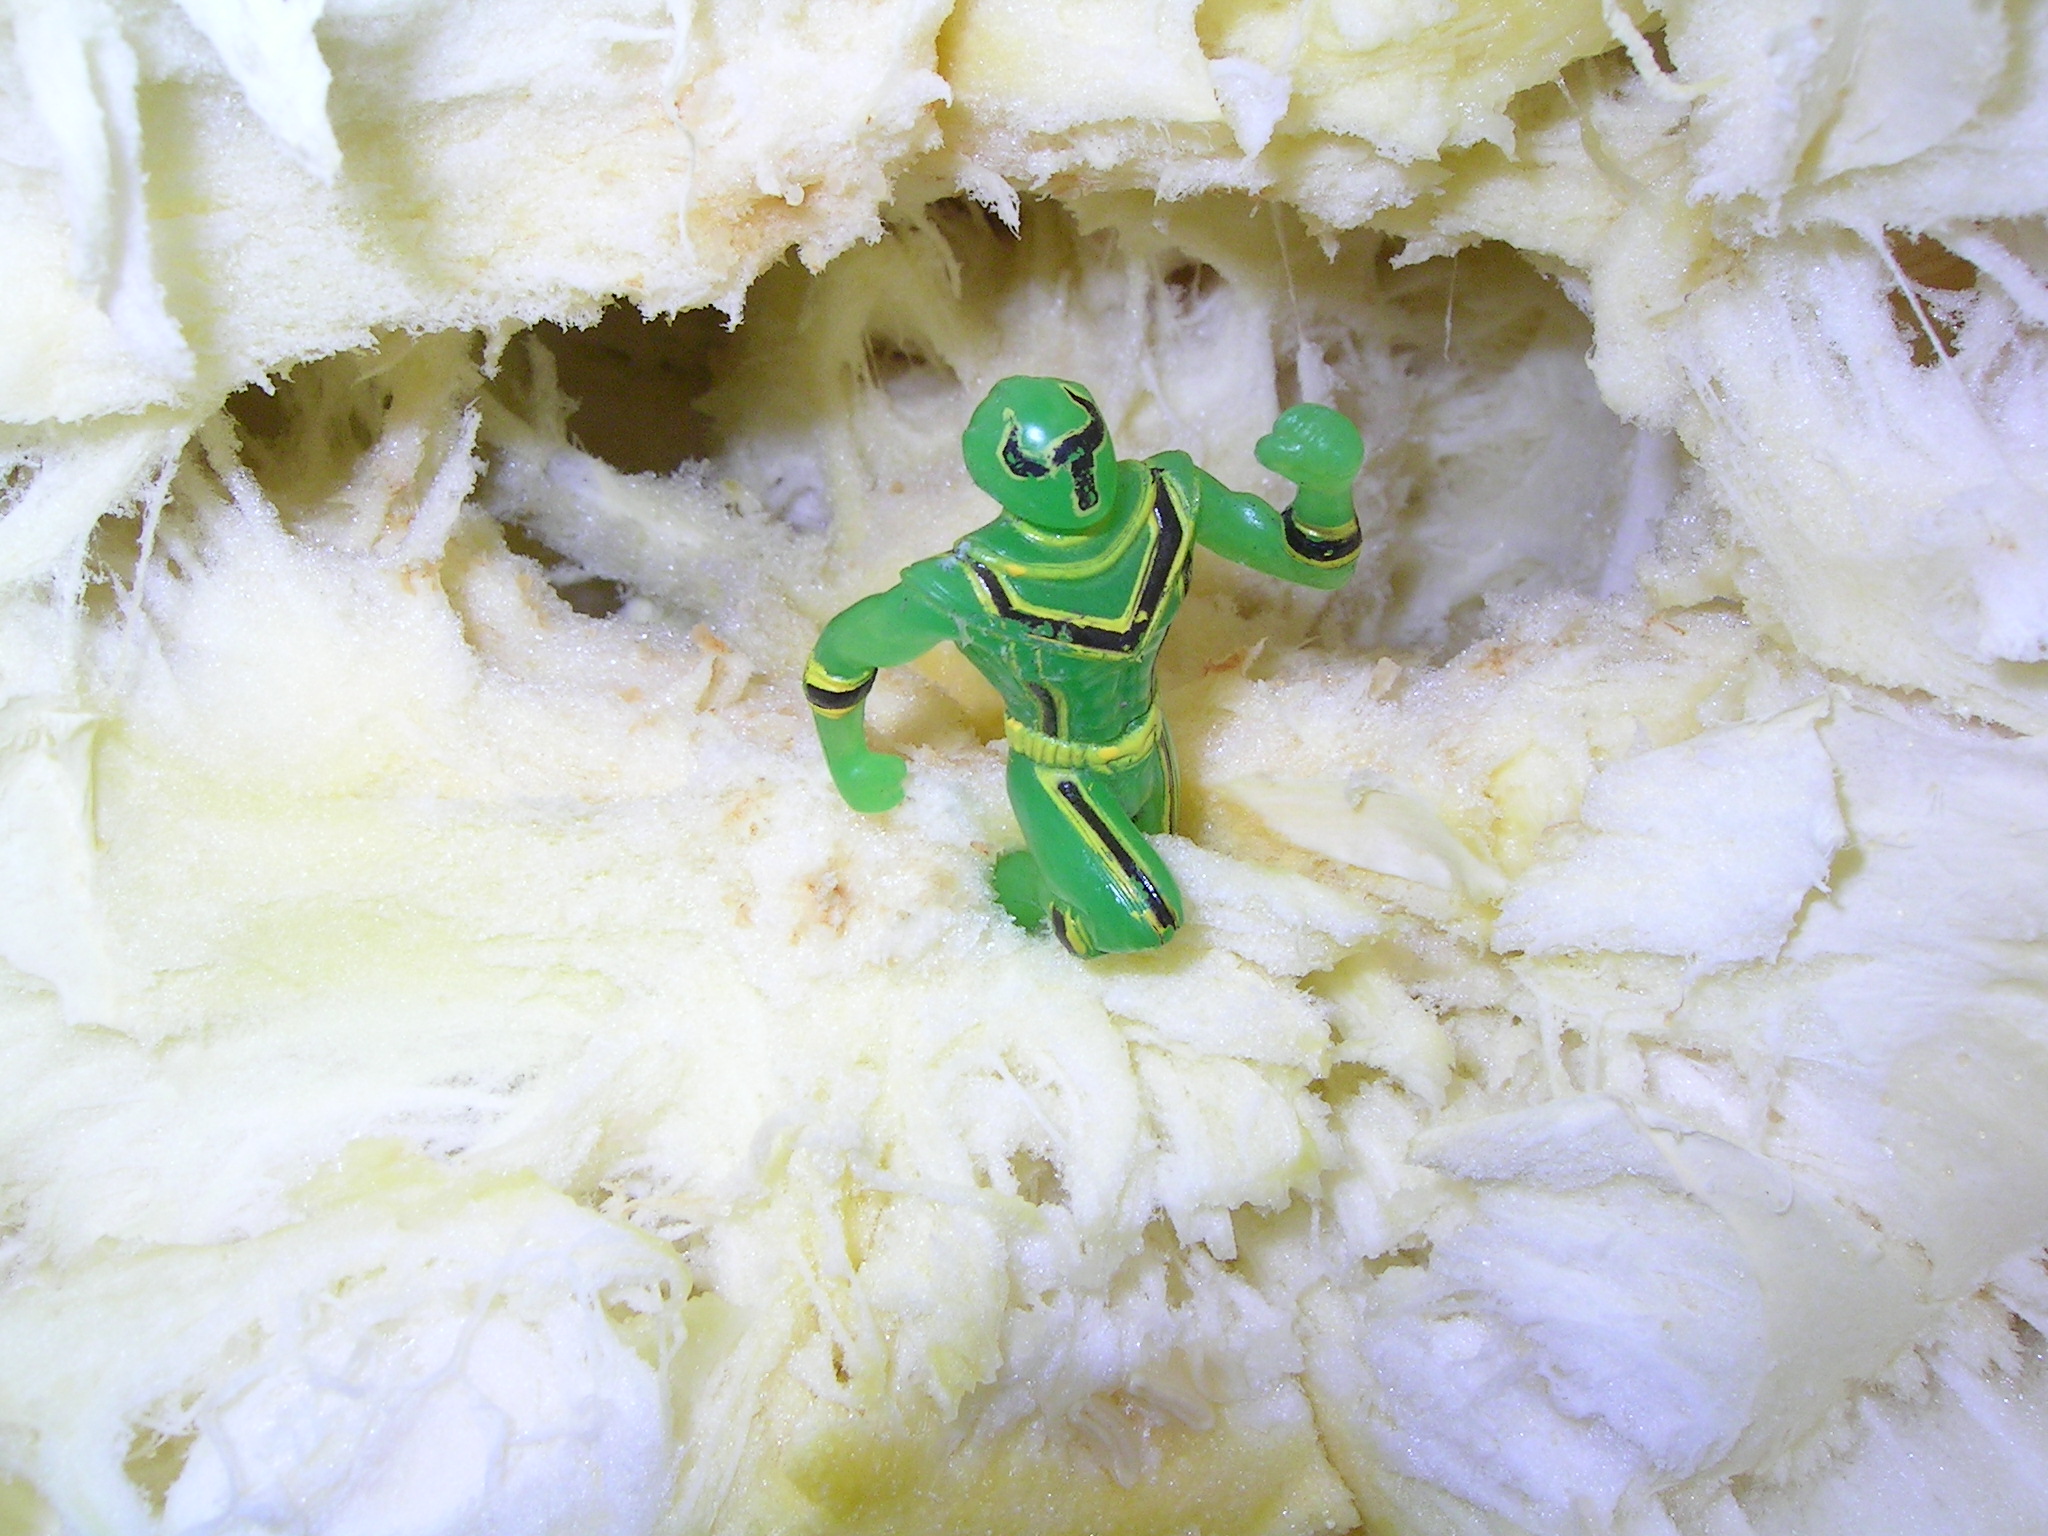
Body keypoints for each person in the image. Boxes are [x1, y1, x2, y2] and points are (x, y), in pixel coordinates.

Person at [804, 375, 1363, 957]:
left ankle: (1060, 900)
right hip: (1059, 775)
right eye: (1045, 467)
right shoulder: (973, 584)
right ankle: (1023, 888)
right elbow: (842, 652)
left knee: (1179, 873)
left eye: (1087, 447)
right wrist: (849, 762)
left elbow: (1311, 561)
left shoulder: (1167, 502)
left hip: (1151, 749)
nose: (1082, 477)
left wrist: (1326, 489)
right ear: (1001, 481)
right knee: (1142, 920)